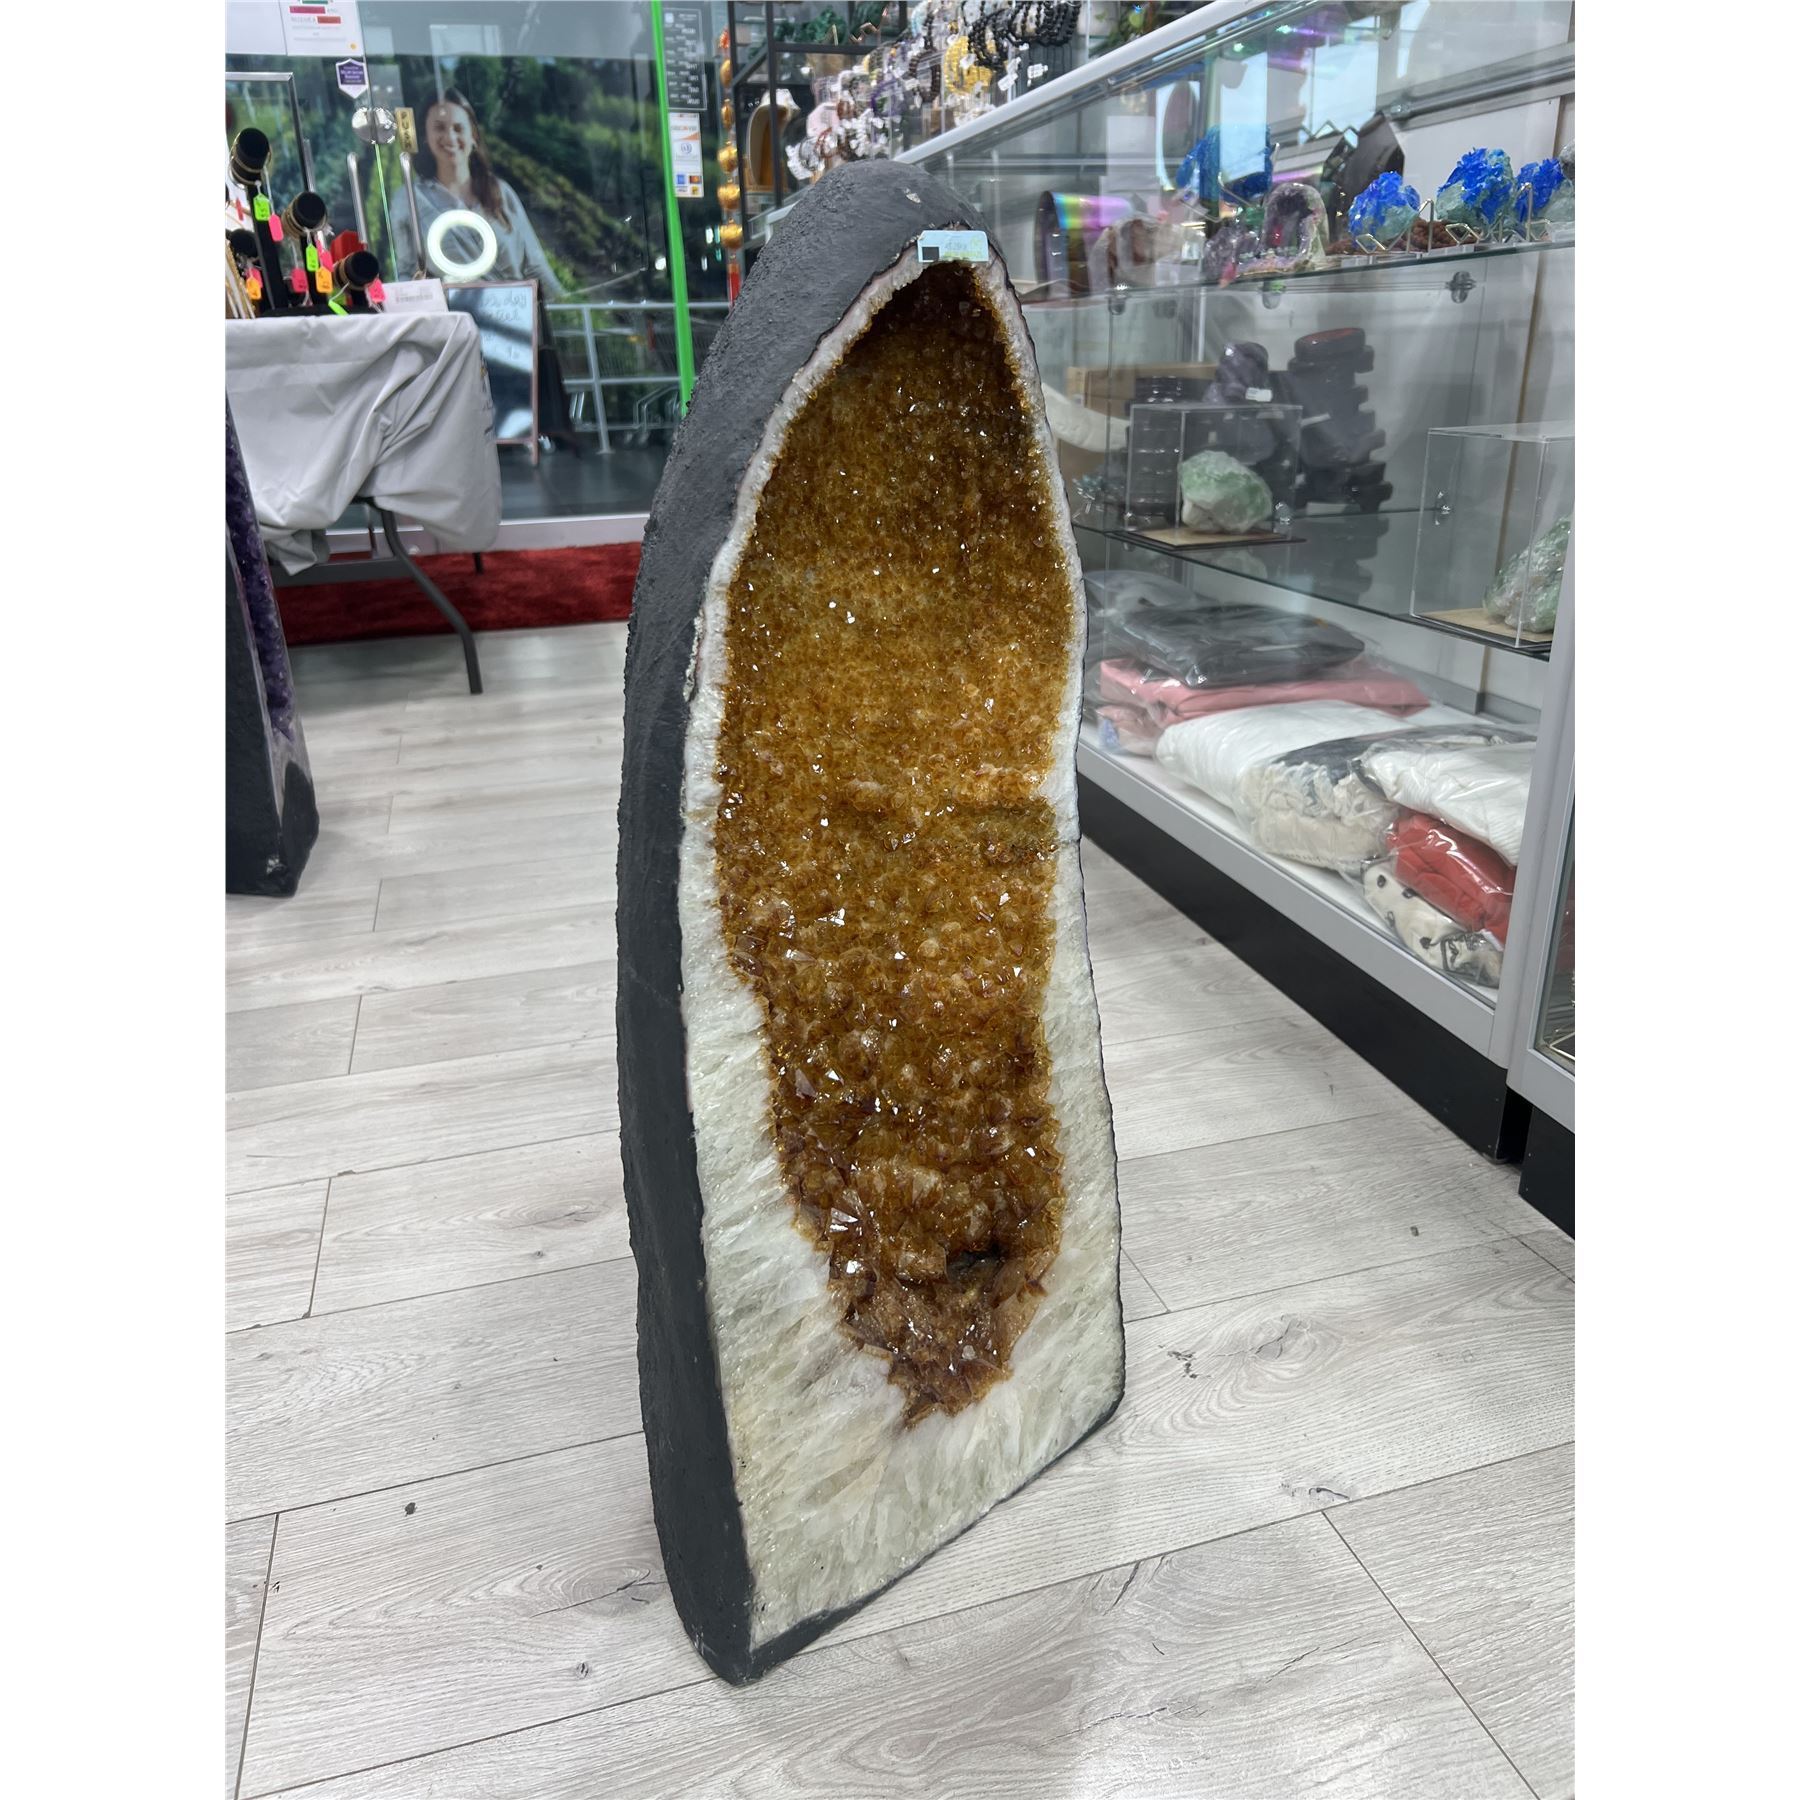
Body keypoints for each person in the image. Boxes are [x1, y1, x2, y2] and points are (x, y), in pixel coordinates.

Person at [396, 87, 563, 296]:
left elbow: (536, 265)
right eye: (439, 128)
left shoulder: (499, 192)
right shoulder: (410, 199)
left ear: (473, 136)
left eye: (458, 128)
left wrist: (568, 307)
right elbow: (405, 272)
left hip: (514, 310)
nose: (450, 137)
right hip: (454, 315)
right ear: (425, 137)